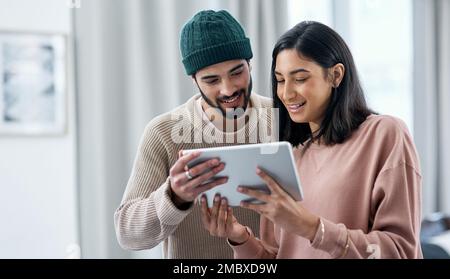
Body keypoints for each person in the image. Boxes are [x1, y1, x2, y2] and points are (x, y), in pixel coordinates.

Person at [201, 21, 423, 258]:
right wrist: (240, 237)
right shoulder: (288, 158)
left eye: (300, 78)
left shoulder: (384, 135)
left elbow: (400, 251)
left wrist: (312, 228)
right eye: (280, 80)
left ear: (336, 75)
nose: (286, 93)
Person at [114, 10, 274, 259]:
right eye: (211, 80)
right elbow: (128, 234)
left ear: (249, 63)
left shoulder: (282, 119)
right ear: (194, 80)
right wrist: (174, 197)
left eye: (236, 72)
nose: (228, 89)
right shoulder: (163, 133)